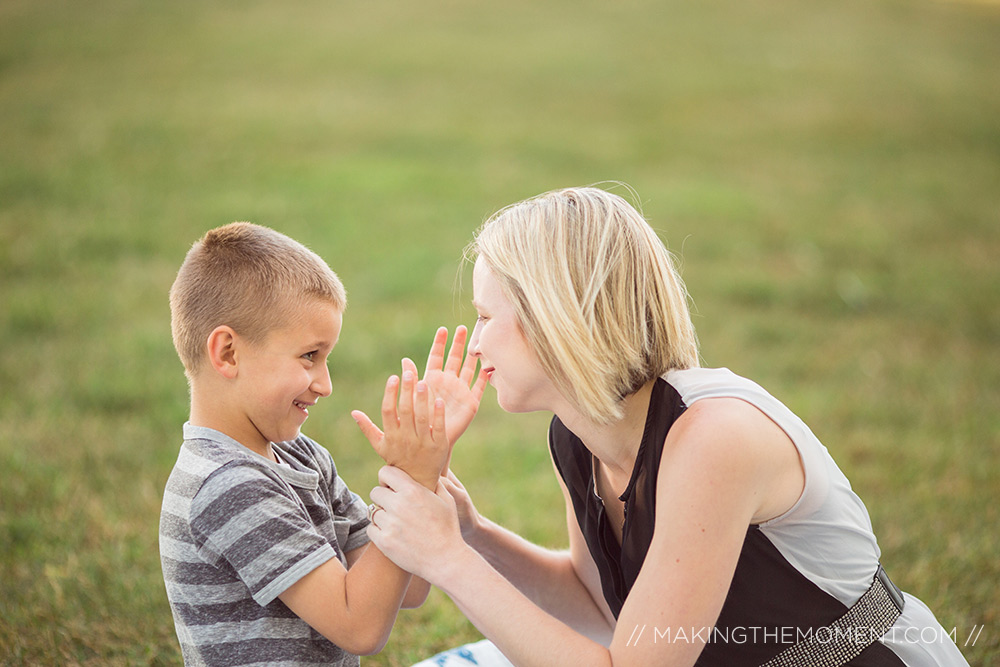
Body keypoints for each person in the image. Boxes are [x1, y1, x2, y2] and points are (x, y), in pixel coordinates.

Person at [359, 187, 969, 666]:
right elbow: (597, 605)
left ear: (559, 319)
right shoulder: (579, 434)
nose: (477, 339)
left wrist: (447, 562)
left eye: (487, 315)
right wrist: (471, 534)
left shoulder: (713, 438)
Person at [159, 222, 480, 666]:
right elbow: (359, 626)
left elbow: (412, 584)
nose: (325, 384)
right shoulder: (227, 486)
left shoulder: (302, 456)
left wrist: (430, 451)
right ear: (228, 353)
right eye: (310, 355)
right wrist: (412, 476)